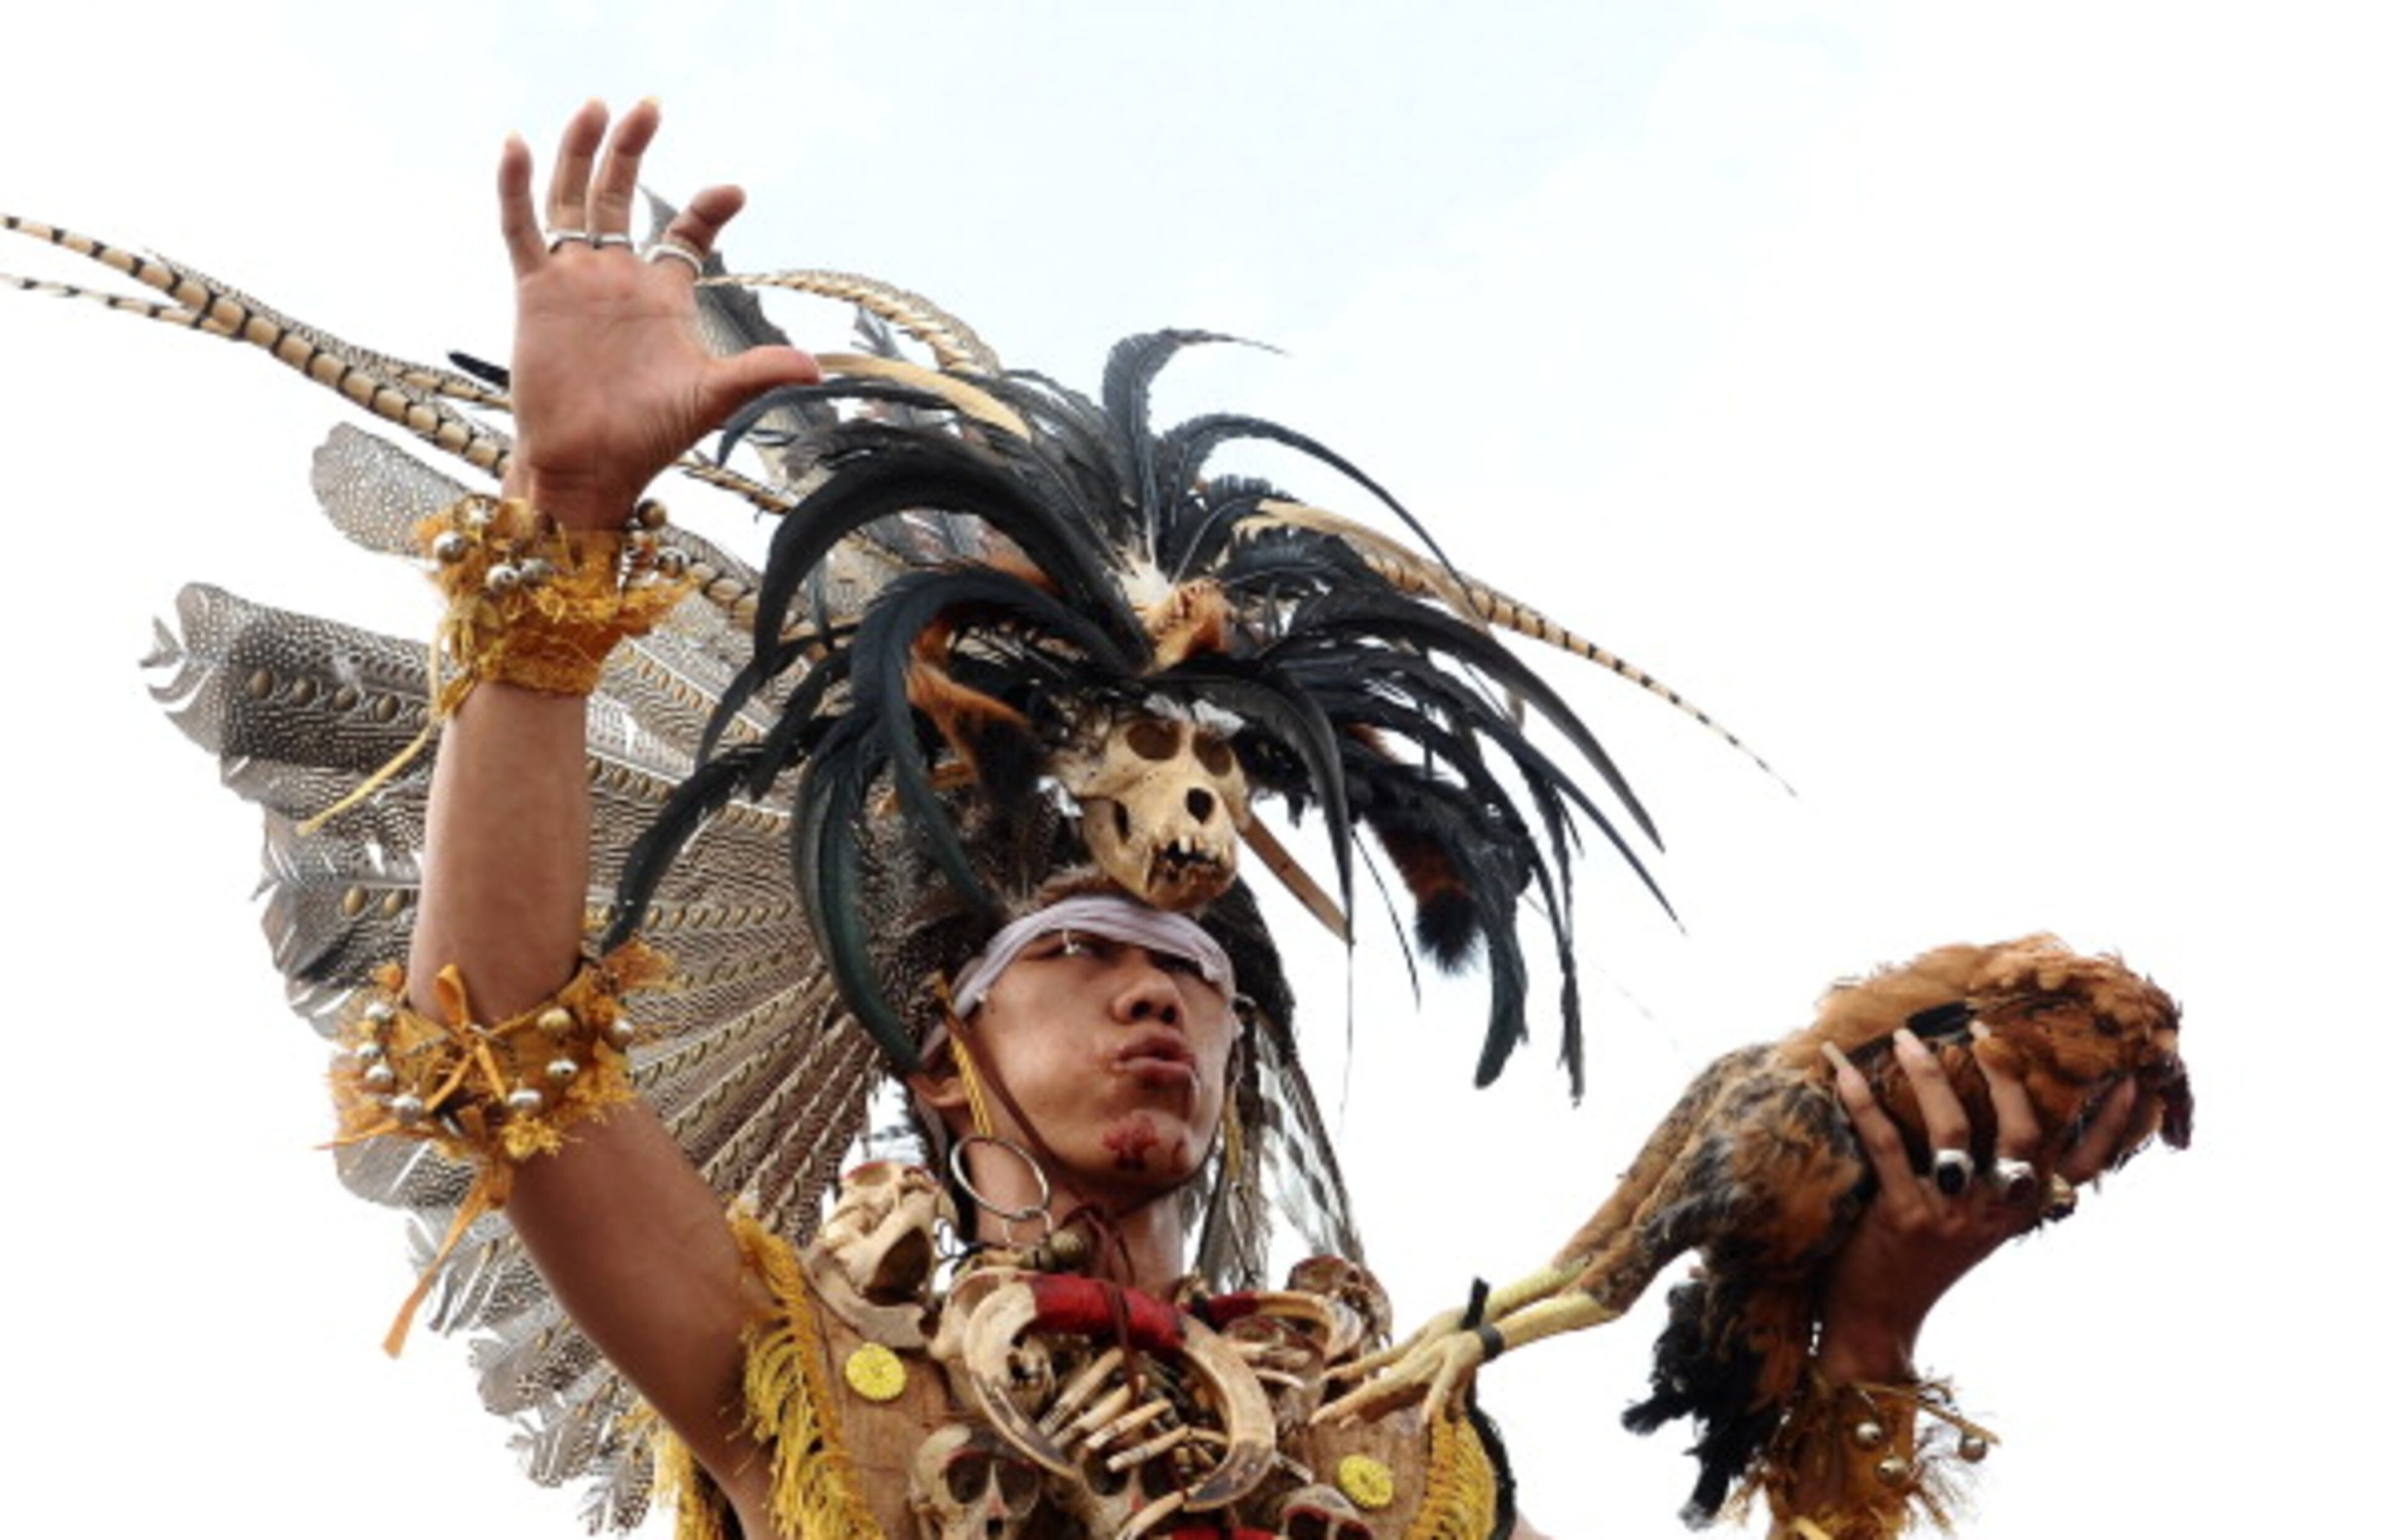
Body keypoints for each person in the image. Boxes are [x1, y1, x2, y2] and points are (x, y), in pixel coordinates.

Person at [115, 96, 2154, 1540]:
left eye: (1188, 964)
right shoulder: (810, 1375)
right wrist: (568, 529)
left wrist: (1865, 1331)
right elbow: (504, 1037)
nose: (1150, 994)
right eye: (1078, 954)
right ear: (945, 1046)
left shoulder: (1403, 1463)